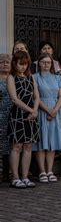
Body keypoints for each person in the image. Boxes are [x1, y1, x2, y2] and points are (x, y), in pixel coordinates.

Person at [7, 51, 40, 188]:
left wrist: (35, 110)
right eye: (21, 64)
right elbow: (14, 98)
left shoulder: (31, 77)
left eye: (25, 64)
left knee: (28, 146)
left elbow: (37, 96)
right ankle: (15, 177)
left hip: (31, 116)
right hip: (18, 116)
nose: (23, 67)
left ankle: (25, 177)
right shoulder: (11, 77)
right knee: (17, 146)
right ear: (15, 63)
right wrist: (31, 110)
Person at [32, 53, 61, 183]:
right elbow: (36, 97)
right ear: (38, 63)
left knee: (52, 141)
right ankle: (42, 171)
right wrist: (48, 111)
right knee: (41, 141)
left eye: (48, 62)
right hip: (42, 110)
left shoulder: (57, 78)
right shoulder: (34, 77)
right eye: (43, 62)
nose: (46, 65)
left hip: (55, 111)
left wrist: (55, 110)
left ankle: (50, 170)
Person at [0, 54, 12, 182]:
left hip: (13, 115)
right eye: (2, 62)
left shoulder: (13, 78)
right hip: (1, 115)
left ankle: (9, 171)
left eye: (7, 62)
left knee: (11, 145)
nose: (4, 64)